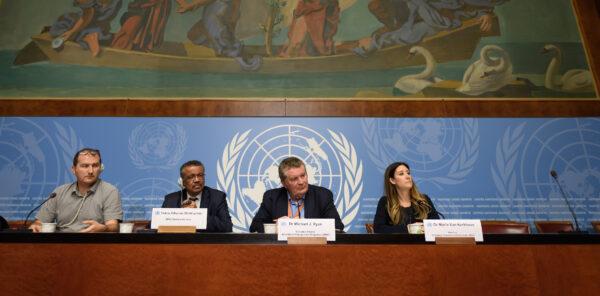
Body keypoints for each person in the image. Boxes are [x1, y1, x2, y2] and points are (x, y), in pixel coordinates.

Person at [354, 0, 508, 57]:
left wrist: (484, 12)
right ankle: (370, 44)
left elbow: (467, 6)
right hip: (420, 18)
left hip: (435, 20)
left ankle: (372, 44)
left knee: (411, 32)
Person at [29, 148, 123, 232]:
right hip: (61, 246)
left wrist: (103, 229)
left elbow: (113, 226)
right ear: (74, 169)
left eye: (95, 166)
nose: (90, 171)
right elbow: (39, 223)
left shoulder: (110, 191)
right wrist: (36, 226)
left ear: (100, 168)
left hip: (94, 245)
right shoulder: (59, 192)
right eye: (85, 166)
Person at [249, 156, 344, 233]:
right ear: (284, 183)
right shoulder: (271, 197)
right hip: (280, 252)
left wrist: (299, 227)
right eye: (294, 179)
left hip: (314, 251)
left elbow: (338, 227)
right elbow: (255, 227)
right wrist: (279, 227)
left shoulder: (323, 195)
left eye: (303, 175)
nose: (301, 182)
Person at [175, 0, 261, 70]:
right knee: (193, 35)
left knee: (219, 32)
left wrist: (192, 5)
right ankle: (224, 49)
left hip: (219, 10)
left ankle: (234, 52)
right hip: (216, 10)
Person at [162, 160, 233, 232]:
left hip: (205, 242)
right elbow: (161, 225)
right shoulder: (171, 199)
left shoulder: (217, 197)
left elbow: (227, 226)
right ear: (182, 181)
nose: (197, 180)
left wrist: (197, 214)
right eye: (191, 176)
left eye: (200, 175)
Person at [373, 162, 439, 233]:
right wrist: (409, 229)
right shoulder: (386, 202)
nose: (408, 177)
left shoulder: (423, 200)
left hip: (423, 243)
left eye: (408, 173)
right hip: (398, 243)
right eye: (401, 174)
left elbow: (436, 225)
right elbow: (379, 228)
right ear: (392, 180)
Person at [49, 0, 123, 57]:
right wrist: (72, 31)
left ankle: (90, 36)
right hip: (85, 22)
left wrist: (73, 32)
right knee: (59, 30)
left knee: (63, 32)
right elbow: (87, 16)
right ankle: (90, 36)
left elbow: (88, 15)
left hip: (92, 24)